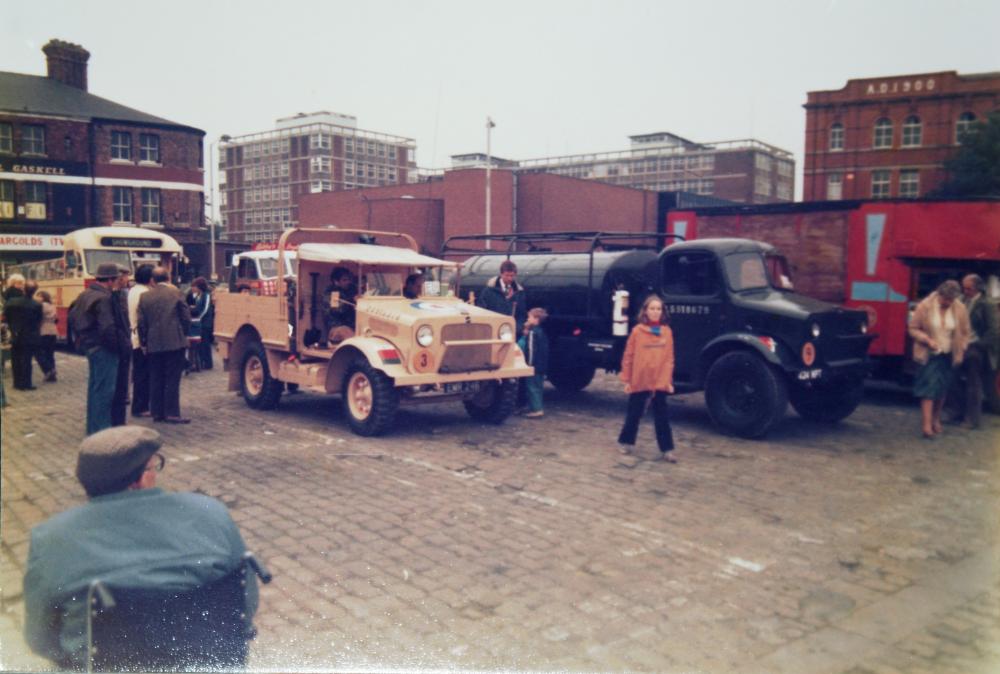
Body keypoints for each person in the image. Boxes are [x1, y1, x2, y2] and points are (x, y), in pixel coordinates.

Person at [22, 426, 258, 670]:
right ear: (142, 478)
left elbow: (41, 640)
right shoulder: (213, 514)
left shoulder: (52, 538)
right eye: (154, 466)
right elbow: (245, 603)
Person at [908, 280, 971, 439]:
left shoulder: (960, 308)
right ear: (939, 294)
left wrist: (962, 346)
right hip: (929, 354)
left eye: (952, 300)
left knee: (942, 390)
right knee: (928, 389)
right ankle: (926, 426)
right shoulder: (925, 306)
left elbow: (965, 332)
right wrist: (927, 340)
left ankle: (936, 419)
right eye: (946, 299)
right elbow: (913, 328)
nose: (948, 303)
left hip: (949, 354)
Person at [617, 294, 677, 462]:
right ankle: (625, 442)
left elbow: (669, 358)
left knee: (662, 416)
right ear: (646, 311)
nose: (655, 312)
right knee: (634, 414)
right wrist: (627, 380)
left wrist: (668, 381)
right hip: (640, 380)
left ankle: (667, 449)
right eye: (652, 308)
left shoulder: (667, 332)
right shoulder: (637, 331)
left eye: (658, 309)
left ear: (662, 311)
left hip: (659, 381)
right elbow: (628, 356)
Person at [71, 263, 127, 435]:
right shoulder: (104, 298)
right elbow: (107, 328)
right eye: (116, 279)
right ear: (110, 280)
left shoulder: (85, 294)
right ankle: (102, 431)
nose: (117, 282)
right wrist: (119, 347)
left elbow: (73, 318)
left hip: (90, 346)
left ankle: (93, 428)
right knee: (105, 392)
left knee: (95, 389)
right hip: (104, 349)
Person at [138, 267, 192, 424]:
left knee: (155, 377)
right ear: (168, 278)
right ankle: (172, 413)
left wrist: (144, 341)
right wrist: (183, 333)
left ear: (153, 280)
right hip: (175, 341)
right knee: (172, 378)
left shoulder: (145, 297)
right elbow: (186, 317)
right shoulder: (175, 293)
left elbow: (141, 323)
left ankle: (157, 412)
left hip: (153, 342)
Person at [947, 274, 999, 429]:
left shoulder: (987, 304)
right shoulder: (962, 301)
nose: (965, 290)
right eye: (964, 287)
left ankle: (972, 419)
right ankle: (957, 413)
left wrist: (979, 345)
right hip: (960, 346)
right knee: (952, 379)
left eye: (968, 288)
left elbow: (995, 330)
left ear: (978, 288)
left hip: (976, 348)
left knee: (973, 383)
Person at [2, 280, 43, 390]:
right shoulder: (36, 305)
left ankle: (17, 383)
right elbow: (38, 321)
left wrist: (12, 326)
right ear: (34, 291)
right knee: (26, 360)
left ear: (23, 289)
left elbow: (5, 316)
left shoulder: (11, 302)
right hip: (29, 335)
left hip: (15, 334)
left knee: (15, 359)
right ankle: (26, 383)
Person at [128, 265, 154, 418]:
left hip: (134, 336)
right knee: (143, 375)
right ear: (150, 278)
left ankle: (140, 405)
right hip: (142, 339)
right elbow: (144, 319)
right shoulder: (144, 293)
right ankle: (141, 407)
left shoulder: (133, 290)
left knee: (139, 374)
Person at [476, 259, 527, 333]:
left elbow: (521, 315)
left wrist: (516, 329)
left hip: (511, 333)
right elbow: (481, 311)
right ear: (501, 274)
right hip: (492, 331)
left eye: (512, 276)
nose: (510, 278)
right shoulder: (488, 291)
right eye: (507, 275)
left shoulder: (519, 293)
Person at [110, 268, 133, 426]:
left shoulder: (123, 293)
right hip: (120, 343)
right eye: (125, 277)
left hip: (124, 340)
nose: (127, 280)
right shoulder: (115, 296)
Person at [520, 307, 549, 418]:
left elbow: (531, 349)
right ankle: (535, 406)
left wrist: (529, 364)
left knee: (532, 387)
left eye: (529, 317)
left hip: (534, 365)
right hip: (542, 365)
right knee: (538, 387)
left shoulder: (533, 333)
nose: (527, 319)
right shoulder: (541, 332)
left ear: (536, 319)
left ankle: (537, 409)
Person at [323, 267, 357, 343]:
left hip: (353, 326)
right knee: (348, 334)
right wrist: (352, 301)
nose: (348, 282)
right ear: (336, 282)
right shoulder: (332, 292)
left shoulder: (351, 289)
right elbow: (337, 310)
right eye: (344, 280)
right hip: (337, 327)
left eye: (348, 279)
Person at [187, 277, 212, 372]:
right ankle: (202, 362)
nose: (193, 289)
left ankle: (208, 363)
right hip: (200, 322)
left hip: (205, 323)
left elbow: (205, 309)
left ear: (199, 287)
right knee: (201, 344)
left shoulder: (206, 295)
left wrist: (199, 318)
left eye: (194, 286)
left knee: (205, 343)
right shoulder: (199, 295)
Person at [35, 290, 58, 382]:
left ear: (43, 297)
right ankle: (52, 376)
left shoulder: (40, 306)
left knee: (40, 352)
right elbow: (56, 319)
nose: (37, 298)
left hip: (43, 331)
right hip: (53, 331)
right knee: (50, 353)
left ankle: (49, 370)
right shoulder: (53, 306)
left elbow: (38, 319)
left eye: (38, 296)